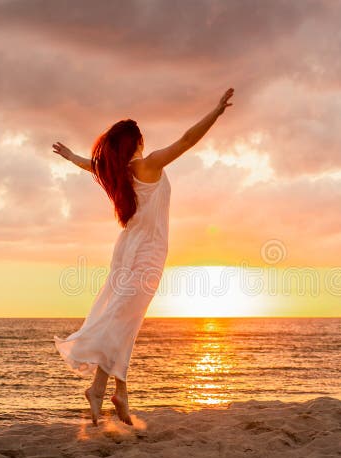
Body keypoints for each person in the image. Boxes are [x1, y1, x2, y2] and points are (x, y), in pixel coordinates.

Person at [52, 88, 235, 426]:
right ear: (136, 142)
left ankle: (120, 392)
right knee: (121, 321)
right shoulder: (147, 165)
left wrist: (70, 157)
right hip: (147, 254)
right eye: (142, 139)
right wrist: (216, 112)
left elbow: (90, 165)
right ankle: (99, 390)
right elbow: (185, 141)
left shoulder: (116, 173)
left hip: (127, 250)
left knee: (126, 321)